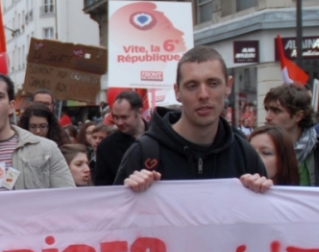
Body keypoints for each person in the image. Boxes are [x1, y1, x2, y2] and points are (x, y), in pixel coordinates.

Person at [115, 46, 271, 193]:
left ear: (228, 86)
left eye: (213, 83)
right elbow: (113, 217)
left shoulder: (245, 155)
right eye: (192, 86)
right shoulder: (143, 153)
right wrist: (127, 194)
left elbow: (265, 219)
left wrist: (260, 195)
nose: (203, 94)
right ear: (177, 91)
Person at [262, 83, 319, 187]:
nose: (268, 117)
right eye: (267, 109)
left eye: (276, 110)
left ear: (298, 116)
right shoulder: (258, 148)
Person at [94, 90, 145, 186]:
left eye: (124, 117)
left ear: (139, 113)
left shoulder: (160, 138)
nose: (119, 122)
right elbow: (102, 187)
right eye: (115, 117)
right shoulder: (106, 147)